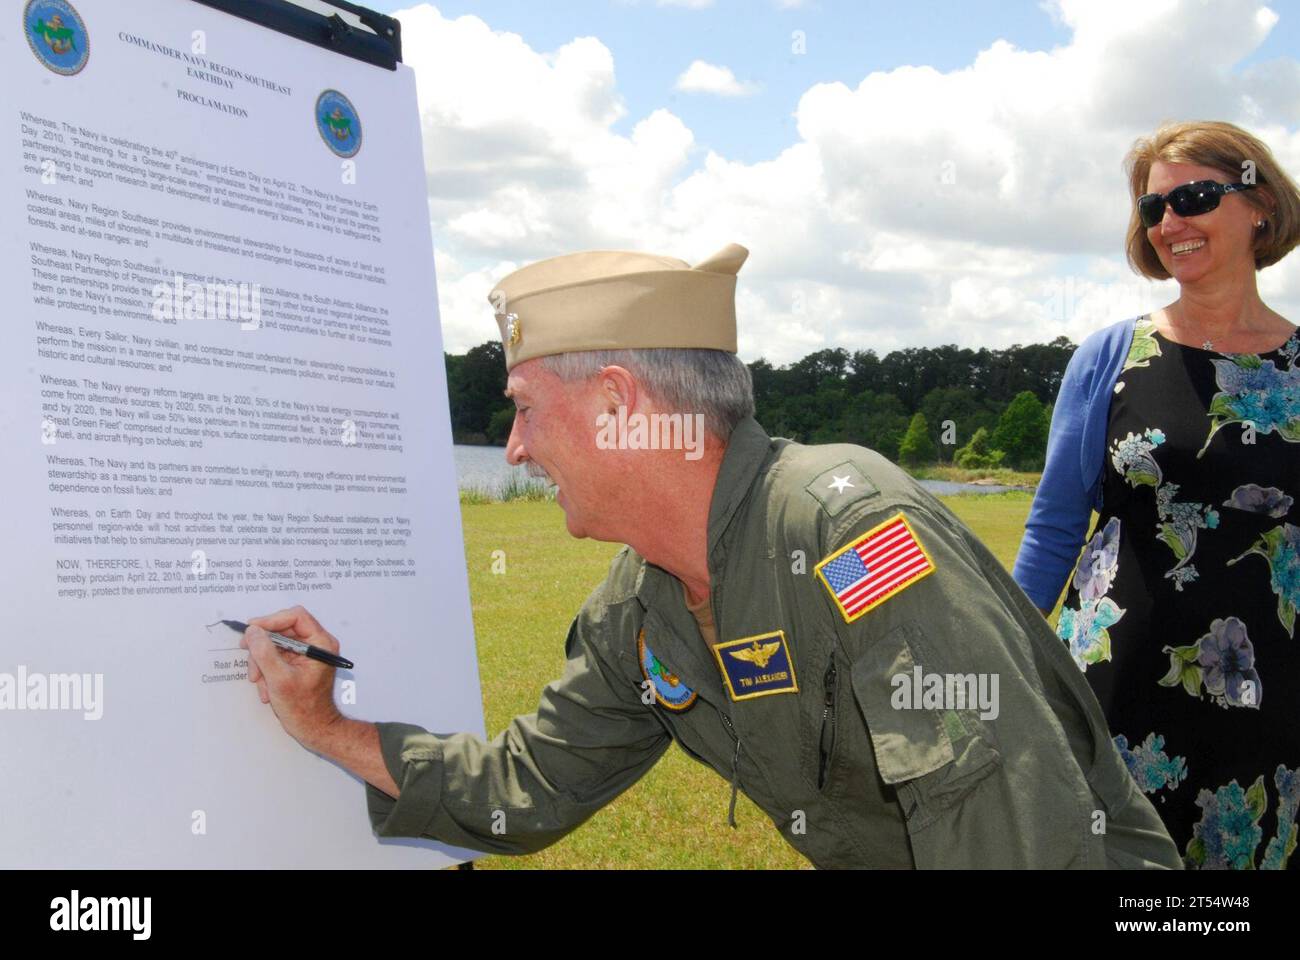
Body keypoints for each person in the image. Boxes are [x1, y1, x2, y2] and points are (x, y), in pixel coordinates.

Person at [242, 243, 1180, 868]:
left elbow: (1012, 826)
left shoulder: (849, 534)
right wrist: (329, 726)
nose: (515, 448)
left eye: (525, 408)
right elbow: (527, 789)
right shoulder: (641, 609)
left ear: (617, 402)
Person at [1014, 121, 1300, 869]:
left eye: (1195, 197)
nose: (1171, 223)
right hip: (1114, 690)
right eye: (1153, 210)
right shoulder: (1110, 356)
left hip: (1273, 701)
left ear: (1260, 205)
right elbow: (1052, 530)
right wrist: (1001, 656)